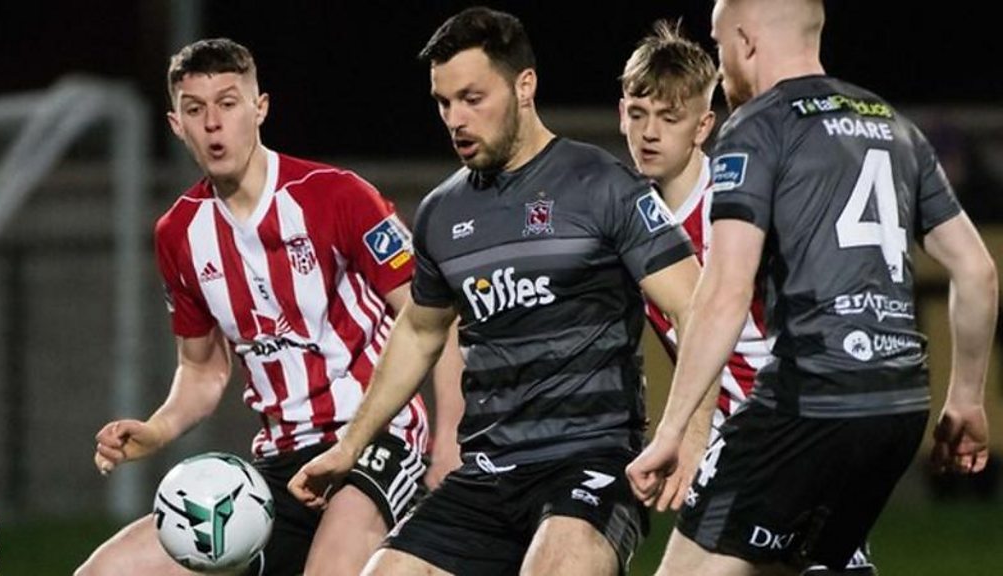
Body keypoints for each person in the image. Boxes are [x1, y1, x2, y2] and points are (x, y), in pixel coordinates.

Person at [286, 7, 704, 576]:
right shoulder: (441, 212)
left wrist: (689, 434)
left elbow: (694, 307)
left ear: (524, 86)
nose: (456, 119)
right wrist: (349, 445)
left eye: (472, 98)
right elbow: (419, 332)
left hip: (590, 463)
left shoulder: (602, 184)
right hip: (487, 473)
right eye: (444, 103)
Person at [626, 1, 998, 575]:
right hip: (898, 407)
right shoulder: (892, 125)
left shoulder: (757, 127)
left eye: (719, 44)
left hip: (805, 400)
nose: (721, 66)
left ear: (746, 41)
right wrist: (967, 399)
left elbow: (723, 294)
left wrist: (672, 431)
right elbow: (977, 271)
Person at [76, 37, 463, 576]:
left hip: (378, 438)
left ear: (259, 108)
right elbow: (202, 369)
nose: (213, 123)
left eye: (228, 103)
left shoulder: (337, 195)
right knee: (107, 571)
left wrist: (449, 441)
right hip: (278, 463)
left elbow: (437, 319)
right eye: (195, 109)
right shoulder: (178, 233)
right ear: (176, 125)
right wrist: (157, 430)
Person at [619, 18, 881, 575]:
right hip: (736, 439)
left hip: (784, 425)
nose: (649, 133)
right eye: (638, 114)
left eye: (669, 117)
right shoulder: (626, 218)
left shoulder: (738, 200)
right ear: (621, 113)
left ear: (703, 125)